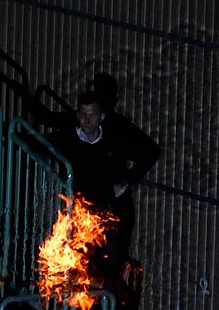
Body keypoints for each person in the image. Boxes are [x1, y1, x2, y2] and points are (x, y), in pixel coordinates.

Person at [48, 88, 159, 292]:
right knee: (79, 266)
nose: (86, 119)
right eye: (82, 114)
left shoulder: (115, 140)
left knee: (110, 268)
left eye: (92, 114)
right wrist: (0, 125)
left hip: (111, 214)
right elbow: (36, 140)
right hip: (82, 212)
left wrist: (126, 182)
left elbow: (151, 152)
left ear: (101, 117)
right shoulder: (67, 139)